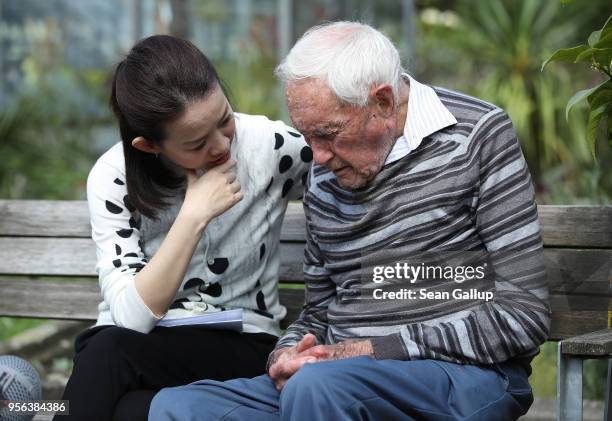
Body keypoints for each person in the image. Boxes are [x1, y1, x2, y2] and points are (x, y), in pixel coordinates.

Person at [149, 21, 552, 421]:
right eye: (307, 136)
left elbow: (523, 315)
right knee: (179, 406)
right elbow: (320, 312)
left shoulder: (478, 136)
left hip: (464, 376)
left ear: (381, 103)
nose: (317, 156)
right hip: (333, 381)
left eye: (328, 133)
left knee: (319, 387)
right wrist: (288, 353)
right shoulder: (326, 171)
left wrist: (368, 351)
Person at [56, 35, 312, 421]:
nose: (221, 145)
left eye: (224, 120)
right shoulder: (114, 178)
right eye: (196, 143)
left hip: (243, 343)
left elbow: (343, 175)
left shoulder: (270, 146)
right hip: (145, 344)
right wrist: (193, 216)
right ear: (147, 146)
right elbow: (132, 318)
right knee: (128, 409)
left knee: (106, 355)